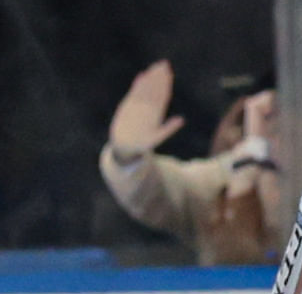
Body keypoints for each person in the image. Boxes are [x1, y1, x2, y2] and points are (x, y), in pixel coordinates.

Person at [97, 60, 277, 268]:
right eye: (262, 120)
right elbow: (152, 190)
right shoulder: (220, 181)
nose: (269, 131)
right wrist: (128, 154)